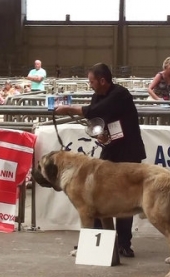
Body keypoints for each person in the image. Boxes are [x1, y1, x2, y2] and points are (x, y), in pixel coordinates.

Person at [54, 63, 146, 258]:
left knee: (125, 198)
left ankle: (123, 244)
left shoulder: (120, 94)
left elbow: (97, 109)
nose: (91, 85)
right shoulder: (98, 94)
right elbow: (97, 118)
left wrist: (69, 108)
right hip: (111, 150)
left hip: (128, 152)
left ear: (103, 80)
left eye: (92, 81)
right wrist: (101, 135)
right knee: (96, 195)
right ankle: (96, 242)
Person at [148, 56, 170, 125]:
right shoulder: (159, 75)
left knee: (168, 114)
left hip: (166, 100)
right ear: (166, 66)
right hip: (156, 99)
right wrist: (158, 99)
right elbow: (149, 89)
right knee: (162, 114)